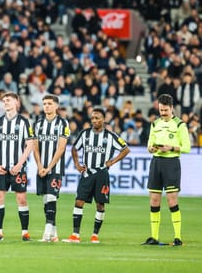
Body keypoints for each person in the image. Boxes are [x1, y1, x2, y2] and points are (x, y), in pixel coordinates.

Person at [62, 108, 130, 243]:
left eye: (97, 118)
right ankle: (75, 235)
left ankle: (95, 235)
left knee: (100, 205)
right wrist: (77, 164)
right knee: (79, 201)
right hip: (87, 173)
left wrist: (112, 161)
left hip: (101, 174)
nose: (94, 121)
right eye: (92, 118)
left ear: (103, 120)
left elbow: (126, 149)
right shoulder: (85, 134)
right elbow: (74, 148)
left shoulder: (110, 136)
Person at [142, 94, 191, 246]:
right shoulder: (155, 124)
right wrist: (151, 148)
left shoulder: (179, 125)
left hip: (171, 163)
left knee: (171, 201)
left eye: (165, 110)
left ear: (172, 108)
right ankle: (154, 237)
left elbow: (187, 148)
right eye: (161, 110)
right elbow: (149, 144)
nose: (162, 113)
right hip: (156, 162)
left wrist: (171, 148)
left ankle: (178, 238)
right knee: (154, 200)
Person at [0, 92, 34, 241]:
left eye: (9, 100)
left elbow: (30, 144)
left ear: (16, 102)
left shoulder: (24, 122)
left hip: (18, 168)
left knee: (21, 199)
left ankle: (25, 233)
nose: (6, 102)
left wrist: (20, 164)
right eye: (4, 100)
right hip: (1, 167)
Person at [33, 94, 70, 242]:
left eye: (49, 103)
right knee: (45, 200)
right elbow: (35, 147)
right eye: (44, 104)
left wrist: (49, 167)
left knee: (51, 197)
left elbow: (61, 148)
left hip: (55, 168)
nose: (46, 106)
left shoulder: (63, 123)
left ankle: (47, 233)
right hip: (41, 168)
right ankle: (54, 234)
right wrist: (40, 166)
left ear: (56, 106)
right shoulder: (38, 124)